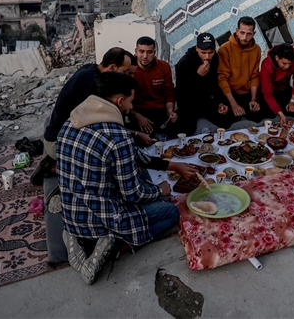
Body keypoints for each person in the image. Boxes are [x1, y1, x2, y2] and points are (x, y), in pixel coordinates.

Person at [57, 72, 195, 285]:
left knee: (141, 181)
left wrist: (170, 165)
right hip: (102, 217)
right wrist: (161, 190)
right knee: (170, 211)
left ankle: (73, 234)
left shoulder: (71, 121)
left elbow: (131, 158)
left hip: (72, 211)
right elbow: (132, 194)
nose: (131, 107)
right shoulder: (117, 136)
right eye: (131, 101)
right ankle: (115, 245)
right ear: (119, 101)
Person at [35, 47, 153, 186]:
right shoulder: (92, 85)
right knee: (114, 169)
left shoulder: (91, 69)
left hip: (58, 133)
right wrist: (135, 136)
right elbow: (105, 132)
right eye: (125, 72)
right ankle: (57, 166)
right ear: (113, 68)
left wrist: (134, 119)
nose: (127, 77)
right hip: (58, 143)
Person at [174, 32, 230, 134]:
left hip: (207, 102)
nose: (207, 57)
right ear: (197, 49)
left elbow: (215, 84)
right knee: (185, 131)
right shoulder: (184, 63)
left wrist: (220, 102)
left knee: (225, 122)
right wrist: (198, 76)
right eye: (203, 53)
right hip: (189, 105)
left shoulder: (215, 58)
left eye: (210, 52)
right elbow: (182, 94)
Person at [217, 16, 264, 122]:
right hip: (230, 93)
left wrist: (253, 99)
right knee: (227, 121)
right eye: (242, 33)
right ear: (237, 31)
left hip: (247, 93)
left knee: (259, 118)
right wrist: (234, 105)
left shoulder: (256, 49)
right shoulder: (225, 49)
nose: (244, 37)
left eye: (249, 34)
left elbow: (254, 75)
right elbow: (222, 79)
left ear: (254, 34)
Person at [130, 36, 178, 138]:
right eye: (141, 51)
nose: (145, 56)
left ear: (154, 52)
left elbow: (169, 93)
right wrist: (136, 116)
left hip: (160, 112)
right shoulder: (129, 68)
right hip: (137, 112)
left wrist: (170, 111)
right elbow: (123, 100)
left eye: (149, 52)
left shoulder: (164, 67)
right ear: (136, 51)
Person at [259, 43, 294, 126]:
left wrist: (293, 100)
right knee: (266, 114)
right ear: (277, 58)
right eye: (284, 63)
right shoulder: (266, 65)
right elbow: (267, 94)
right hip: (271, 90)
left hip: (285, 88)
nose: (287, 67)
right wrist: (280, 114)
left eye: (290, 64)